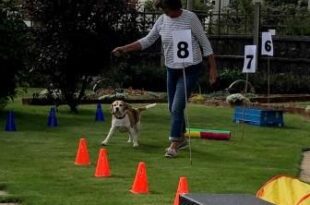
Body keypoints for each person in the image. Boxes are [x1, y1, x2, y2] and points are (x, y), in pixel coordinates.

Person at [112, 0, 218, 158]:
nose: (165, 12)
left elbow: (205, 43)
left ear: (175, 7)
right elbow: (147, 40)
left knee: (177, 106)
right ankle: (182, 138)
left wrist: (213, 68)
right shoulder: (162, 20)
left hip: (190, 68)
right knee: (172, 107)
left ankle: (174, 144)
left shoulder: (190, 18)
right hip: (171, 69)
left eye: (166, 9)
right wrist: (125, 49)